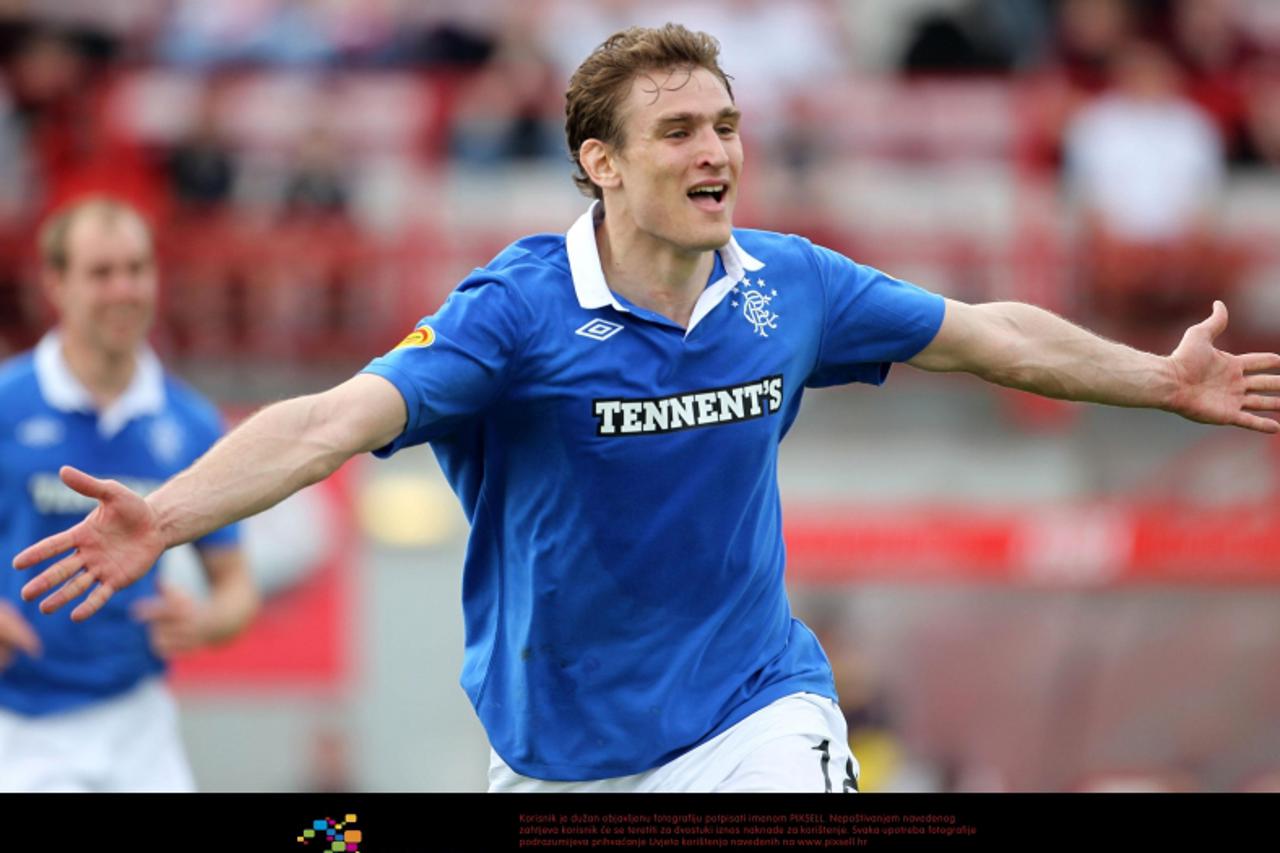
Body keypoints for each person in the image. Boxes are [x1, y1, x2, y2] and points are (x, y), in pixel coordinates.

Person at [11, 25, 1280, 793]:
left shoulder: (789, 286)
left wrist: (1154, 379)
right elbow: (332, 420)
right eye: (677, 130)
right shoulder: (510, 314)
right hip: (556, 752)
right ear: (600, 163)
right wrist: (166, 516)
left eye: (724, 125)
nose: (714, 150)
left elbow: (984, 334)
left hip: (751, 710)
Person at [0, 197, 258, 792]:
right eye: (101, 272)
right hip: (20, 724)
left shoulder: (189, 422)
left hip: (140, 719)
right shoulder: (7, 405)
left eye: (137, 269)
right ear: (56, 284)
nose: (125, 289)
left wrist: (208, 622)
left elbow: (236, 585)